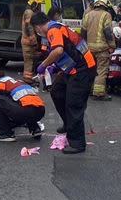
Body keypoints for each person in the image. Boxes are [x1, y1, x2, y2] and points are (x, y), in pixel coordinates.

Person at [32, 11, 96, 154]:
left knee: (74, 105)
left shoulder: (53, 30)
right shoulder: (57, 27)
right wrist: (55, 67)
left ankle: (78, 143)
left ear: (37, 27)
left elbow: (58, 51)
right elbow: (68, 50)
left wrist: (43, 65)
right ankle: (69, 124)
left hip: (83, 70)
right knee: (57, 91)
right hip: (74, 68)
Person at [0, 70, 45, 141]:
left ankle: (6, 134)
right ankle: (35, 129)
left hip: (24, 111)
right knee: (25, 104)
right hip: (41, 111)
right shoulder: (19, 82)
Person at [81, 0, 115, 101]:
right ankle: (99, 93)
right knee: (101, 71)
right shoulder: (106, 15)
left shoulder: (88, 15)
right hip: (102, 49)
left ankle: (90, 90)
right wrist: (112, 45)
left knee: (91, 70)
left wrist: (84, 45)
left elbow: (83, 32)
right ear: (104, 4)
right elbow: (108, 32)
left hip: (89, 48)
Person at [21, 0, 44, 82]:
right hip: (28, 42)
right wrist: (34, 42)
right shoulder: (29, 13)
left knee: (29, 61)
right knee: (29, 62)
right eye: (39, 4)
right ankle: (28, 80)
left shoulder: (28, 12)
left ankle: (29, 78)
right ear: (35, 4)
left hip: (27, 41)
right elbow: (29, 27)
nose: (39, 7)